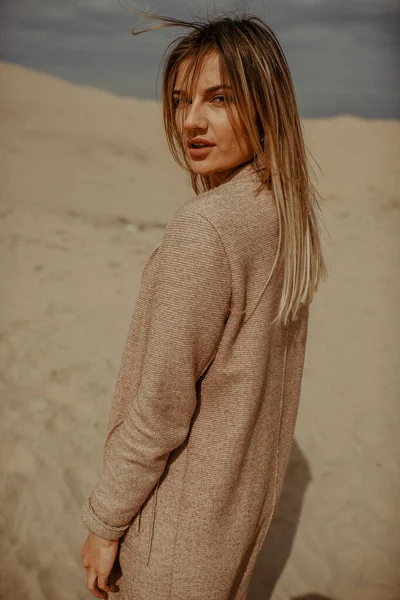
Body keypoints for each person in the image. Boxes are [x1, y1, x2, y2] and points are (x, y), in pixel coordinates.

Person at [79, 8, 328, 600]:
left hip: (174, 541)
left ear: (265, 103)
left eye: (219, 98)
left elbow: (160, 409)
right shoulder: (282, 215)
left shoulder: (207, 228)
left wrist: (104, 522)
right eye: (180, 100)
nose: (191, 121)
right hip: (230, 534)